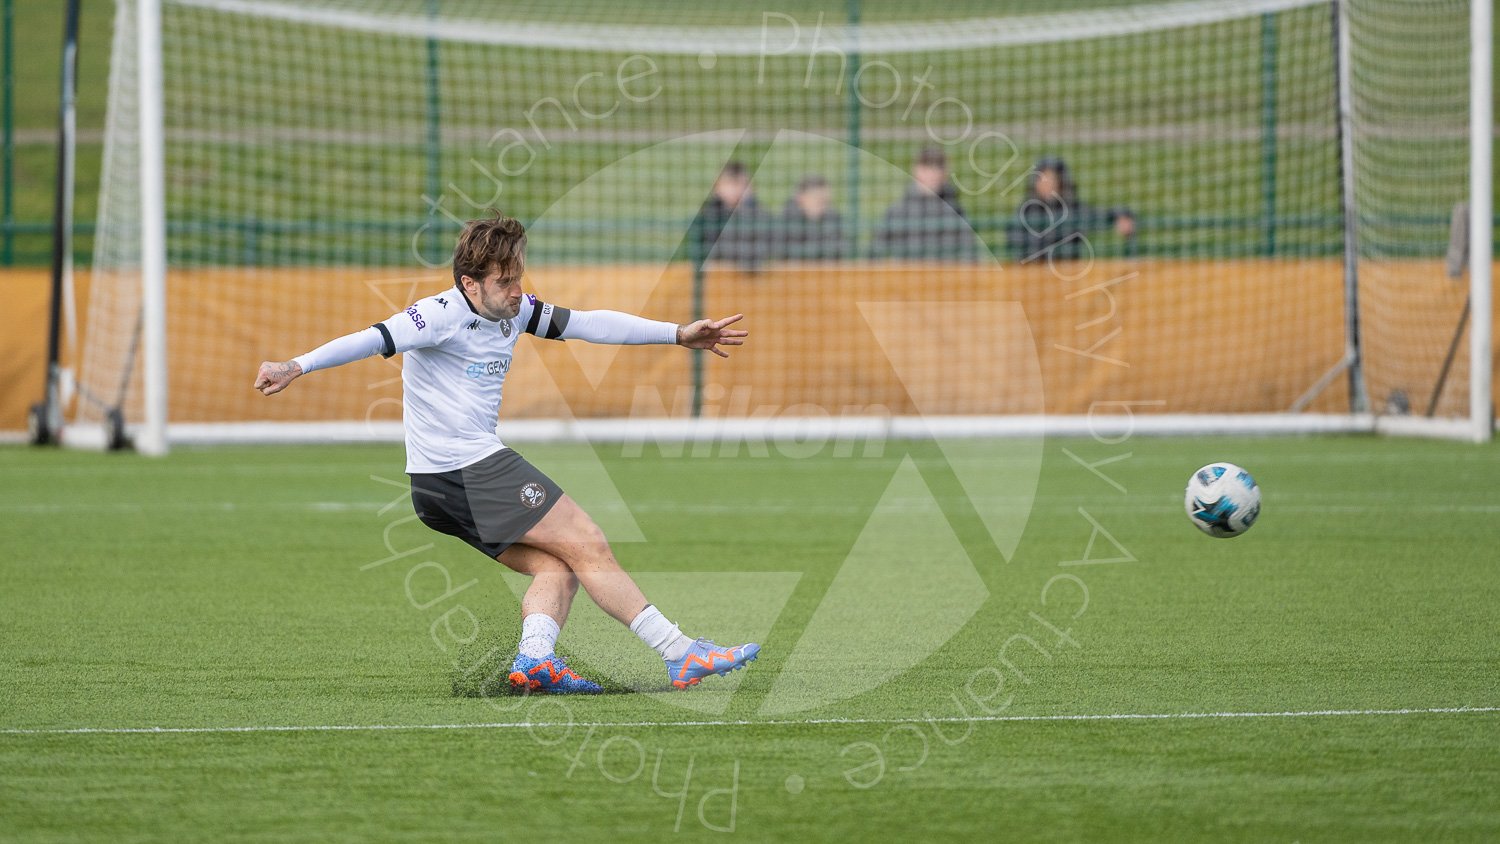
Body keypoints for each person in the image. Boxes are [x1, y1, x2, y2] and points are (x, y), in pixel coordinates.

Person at [253, 213, 759, 694]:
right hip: (466, 469)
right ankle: (680, 652)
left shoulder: (516, 311)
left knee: (557, 566)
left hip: (439, 486)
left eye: (518, 277)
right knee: (588, 541)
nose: (517, 291)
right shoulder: (437, 315)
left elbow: (589, 324)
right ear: (470, 284)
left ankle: (534, 661)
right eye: (504, 281)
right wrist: (295, 366)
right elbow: (370, 339)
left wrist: (677, 334)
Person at [1009, 156, 1135, 264]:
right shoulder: (1027, 210)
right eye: (1042, 179)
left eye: (1052, 179)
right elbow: (1016, 244)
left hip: (1067, 272)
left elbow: (1102, 215)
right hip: (1034, 275)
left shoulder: (1072, 208)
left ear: (1061, 182)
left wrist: (1122, 215)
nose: (1047, 184)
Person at [870, 146, 979, 260]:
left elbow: (970, 254)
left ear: (945, 173)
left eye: (937, 167)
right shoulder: (897, 212)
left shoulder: (956, 212)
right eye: (926, 167)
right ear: (916, 170)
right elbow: (874, 253)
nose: (931, 174)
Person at [689, 160, 770, 268]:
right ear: (717, 187)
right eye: (729, 183)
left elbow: (763, 252)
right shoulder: (708, 216)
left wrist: (745, 208)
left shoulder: (759, 215)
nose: (735, 190)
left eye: (741, 184)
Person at [779, 174, 850, 260]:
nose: (824, 205)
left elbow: (842, 247)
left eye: (826, 201)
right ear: (801, 198)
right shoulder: (787, 221)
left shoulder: (832, 219)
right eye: (818, 200)